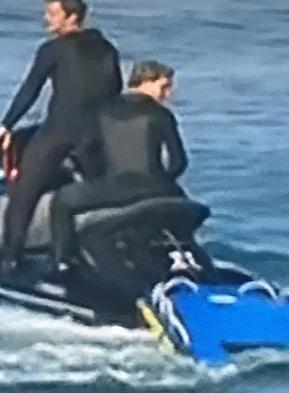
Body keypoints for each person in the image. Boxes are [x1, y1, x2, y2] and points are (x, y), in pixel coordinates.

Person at [0, 0, 122, 271]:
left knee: (24, 192)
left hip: (60, 129)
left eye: (52, 14)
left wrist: (6, 126)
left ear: (72, 17)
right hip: (96, 133)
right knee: (103, 191)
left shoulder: (54, 49)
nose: (46, 19)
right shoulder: (107, 49)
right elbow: (114, 91)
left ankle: (11, 257)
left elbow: (30, 89)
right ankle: (113, 245)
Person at [49, 60, 189, 271]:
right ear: (146, 82)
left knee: (62, 201)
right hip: (156, 187)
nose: (168, 94)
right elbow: (179, 161)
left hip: (115, 187)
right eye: (164, 87)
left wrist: (97, 179)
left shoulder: (104, 110)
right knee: (180, 207)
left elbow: (87, 150)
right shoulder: (161, 115)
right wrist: (163, 182)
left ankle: (64, 261)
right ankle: (183, 256)